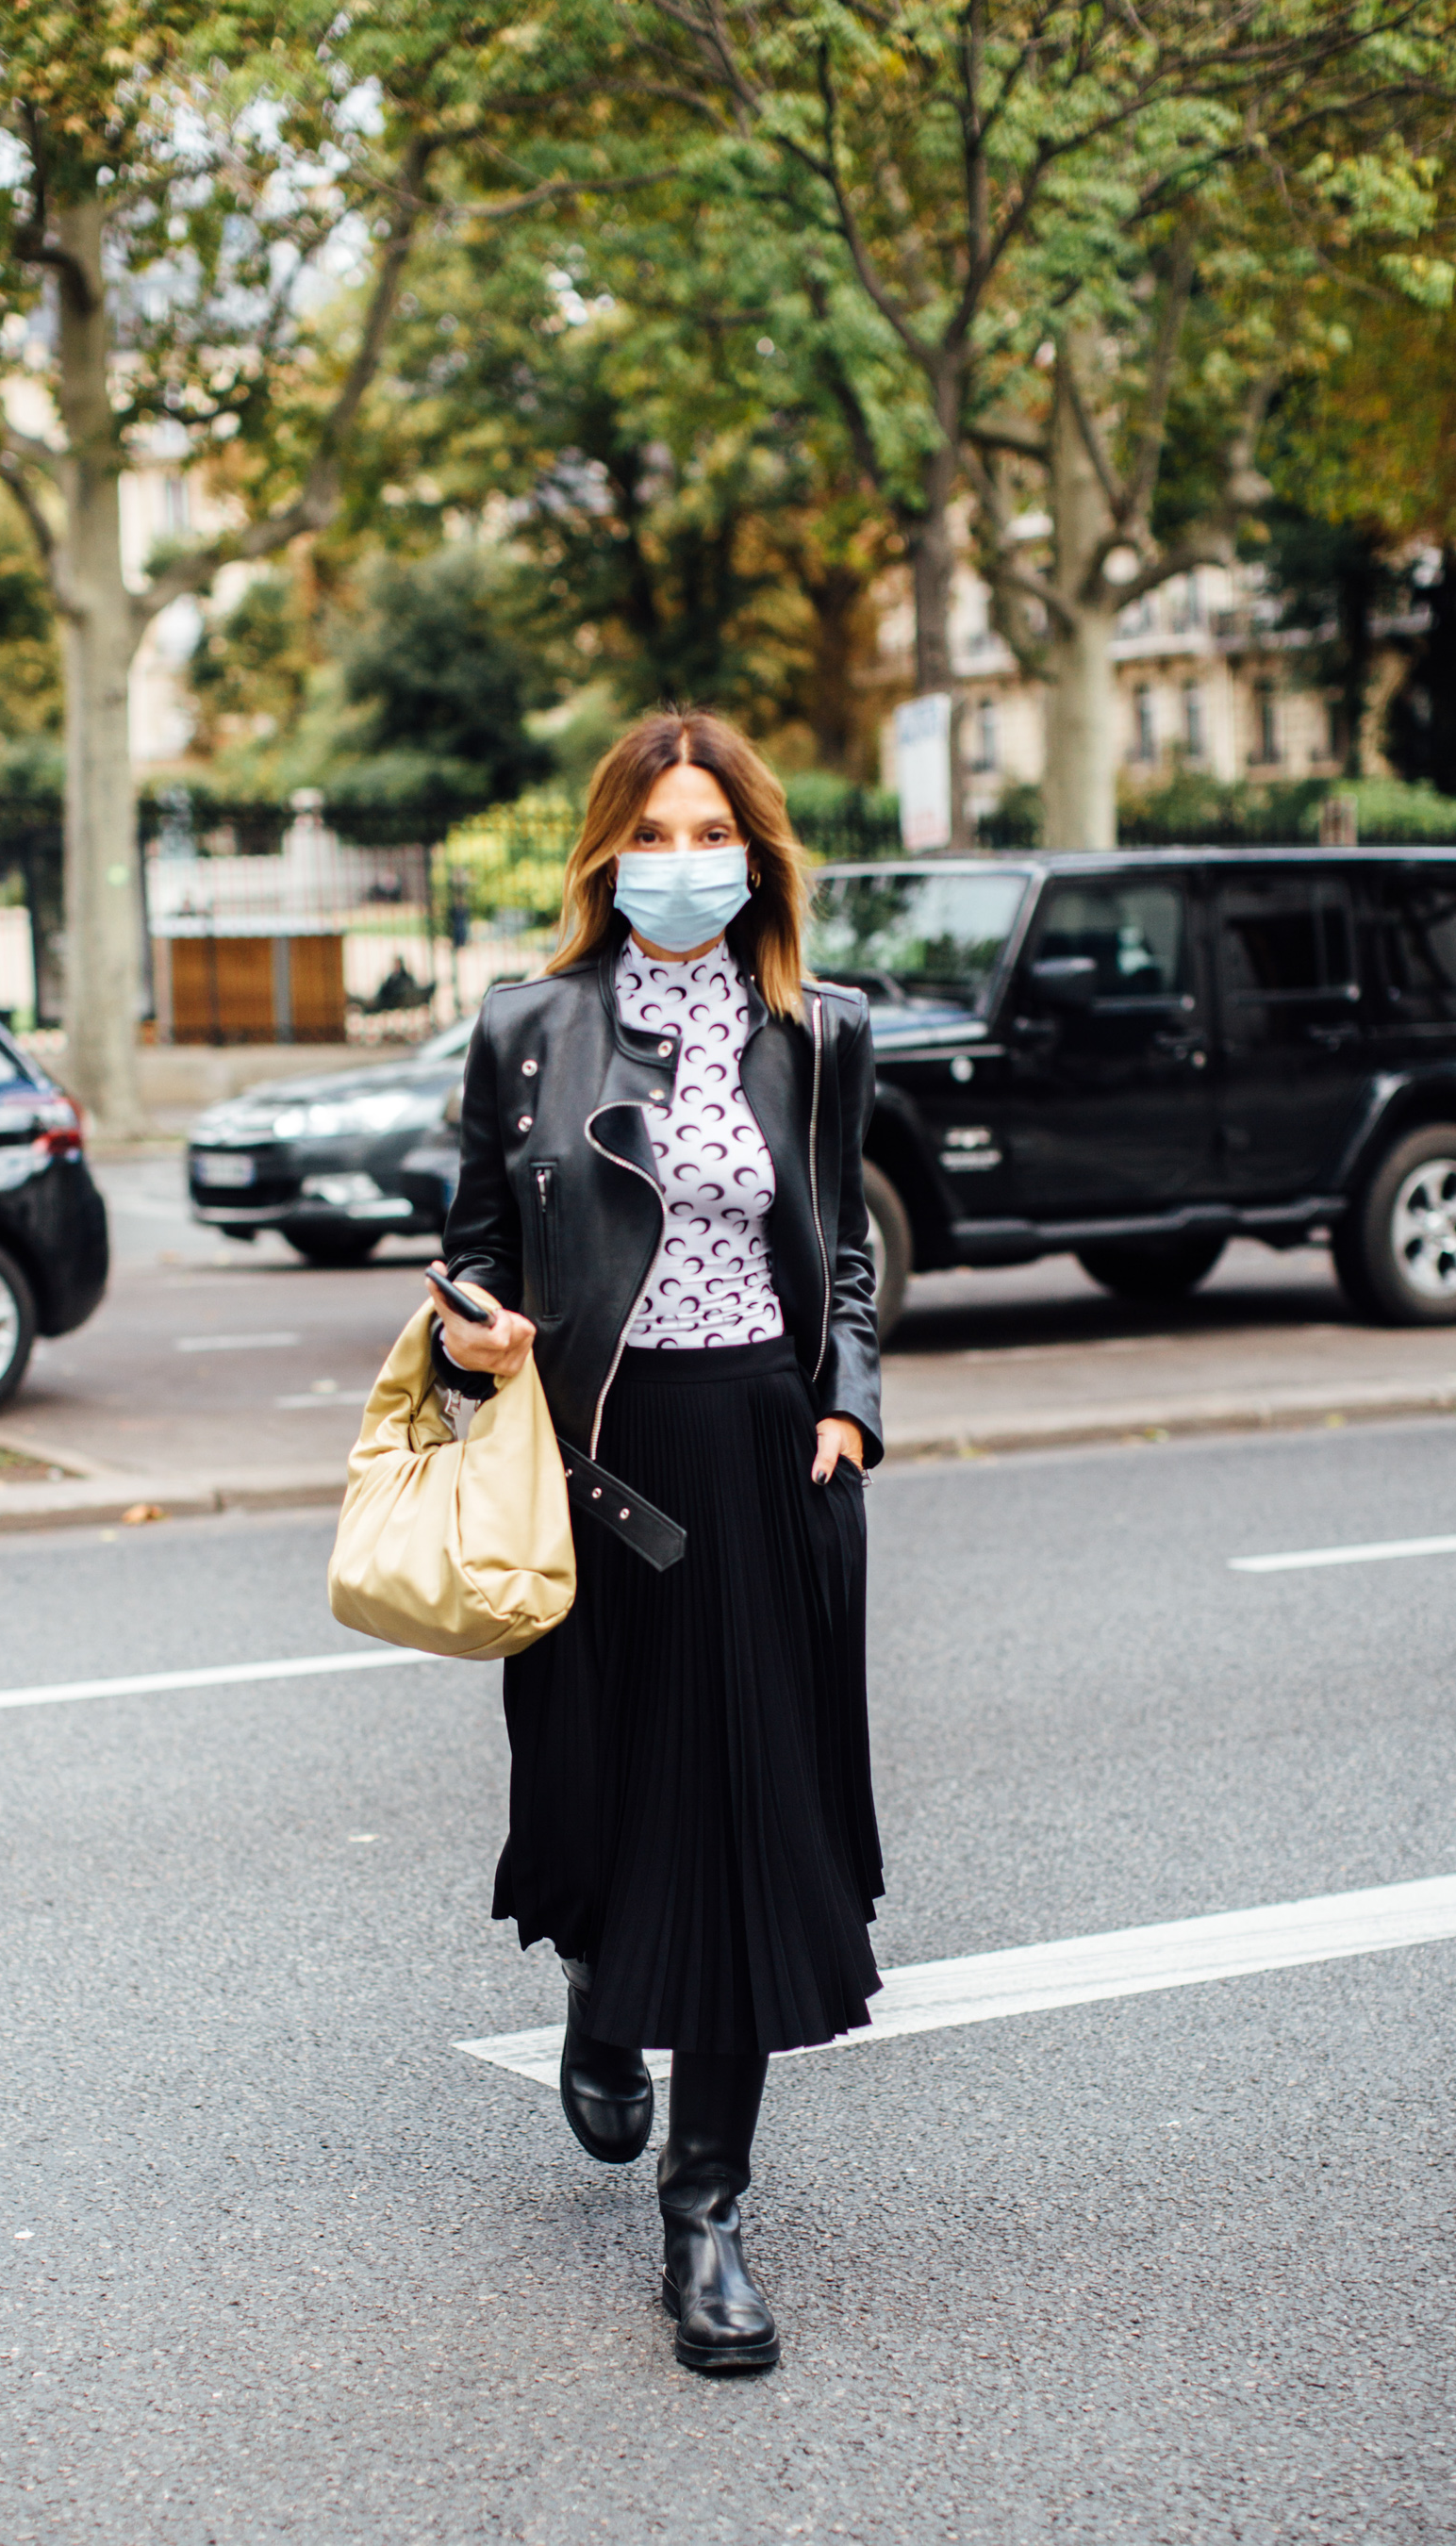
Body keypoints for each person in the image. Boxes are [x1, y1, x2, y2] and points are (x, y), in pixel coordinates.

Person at [429, 707, 883, 2374]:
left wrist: (846, 1407)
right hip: (593, 1460)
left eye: (715, 835)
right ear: (607, 850)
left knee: (749, 1823)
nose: (685, 863)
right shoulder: (530, 1028)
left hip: (765, 1457)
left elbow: (840, 1254)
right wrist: (476, 1330)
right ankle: (602, 1973)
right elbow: (474, 1245)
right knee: (603, 1790)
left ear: (756, 853)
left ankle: (708, 2219)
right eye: (657, 832)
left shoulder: (821, 1031)